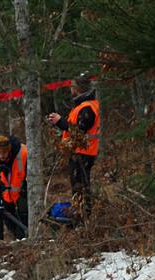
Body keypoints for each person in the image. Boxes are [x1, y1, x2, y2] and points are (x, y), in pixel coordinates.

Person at [46, 73, 100, 219]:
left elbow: (78, 131)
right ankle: (81, 216)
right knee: (79, 186)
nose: (70, 89)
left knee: (80, 187)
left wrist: (60, 121)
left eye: (72, 86)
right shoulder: (83, 106)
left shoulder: (87, 108)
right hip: (80, 152)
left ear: (77, 89)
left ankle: (83, 218)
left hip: (83, 153)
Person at [0, 134, 28, 239]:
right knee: (7, 218)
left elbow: (31, 173)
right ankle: (15, 237)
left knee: (24, 216)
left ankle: (25, 237)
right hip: (4, 194)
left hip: (22, 192)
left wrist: (26, 187)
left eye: (4, 152)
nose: (2, 156)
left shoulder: (22, 153)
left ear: (9, 150)